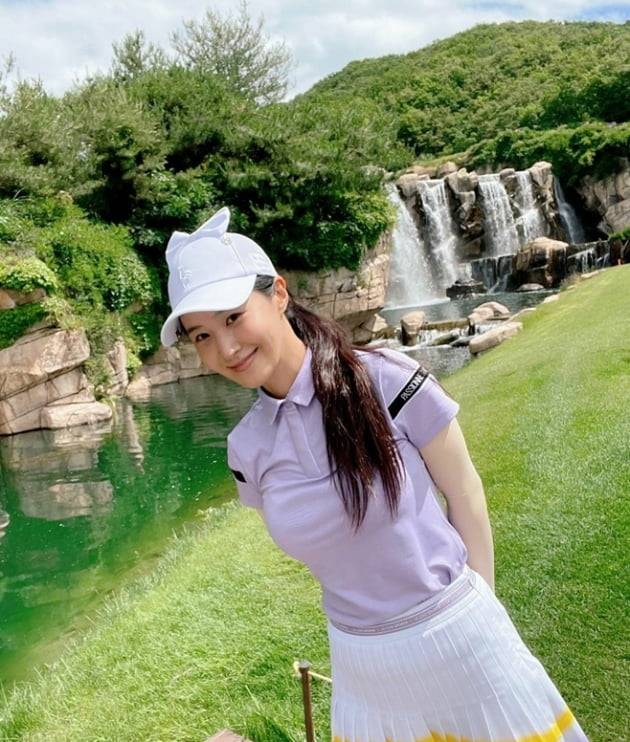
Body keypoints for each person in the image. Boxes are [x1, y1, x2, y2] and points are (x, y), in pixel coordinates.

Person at [160, 207, 589, 741]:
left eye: (233, 317)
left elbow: (463, 490)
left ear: (278, 295)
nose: (225, 348)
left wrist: (484, 616)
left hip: (460, 640)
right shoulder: (246, 449)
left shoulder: (388, 380)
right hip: (362, 670)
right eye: (201, 335)